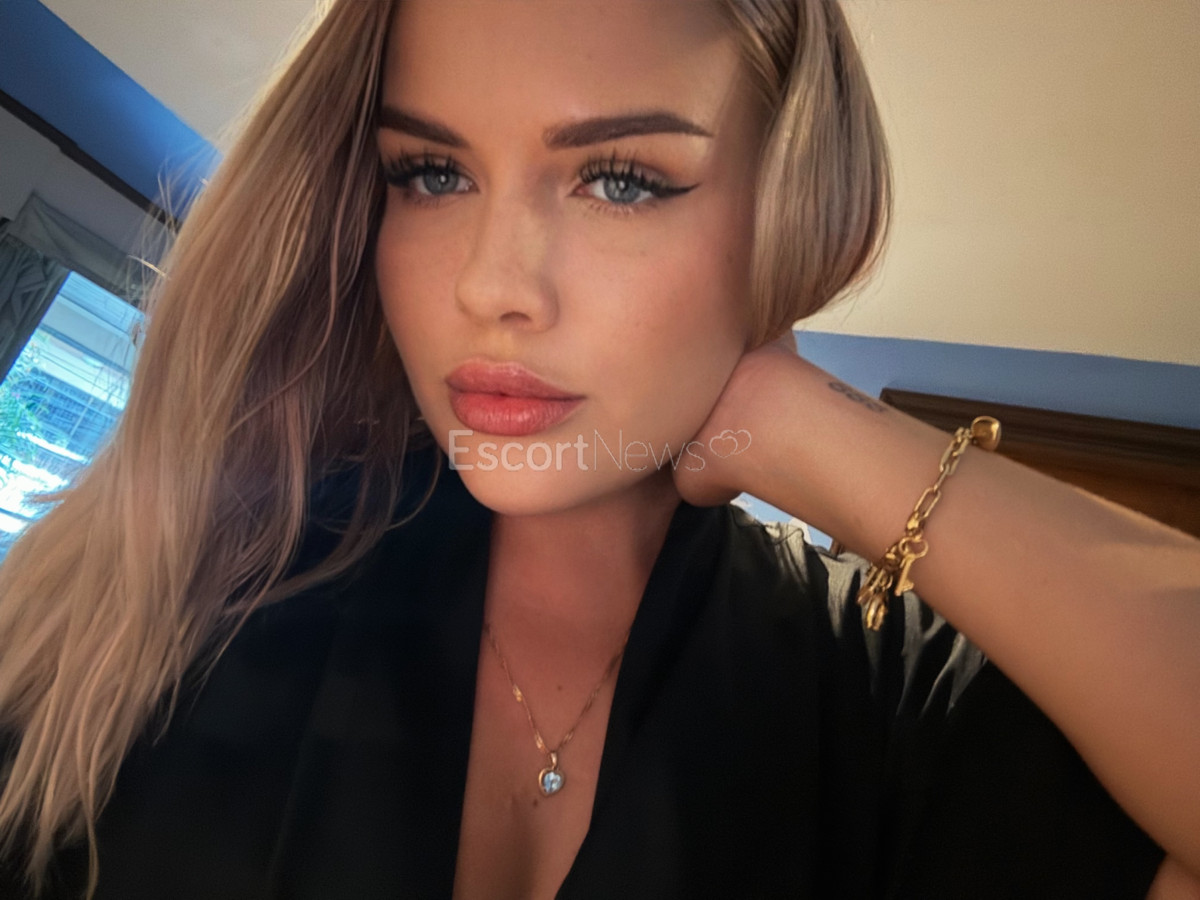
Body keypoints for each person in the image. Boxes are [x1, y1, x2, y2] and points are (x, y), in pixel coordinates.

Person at [0, 0, 1197, 897]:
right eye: (431, 173)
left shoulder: (876, 691)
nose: (491, 286)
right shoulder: (193, 568)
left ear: (785, 214)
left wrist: (802, 424)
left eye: (620, 181)